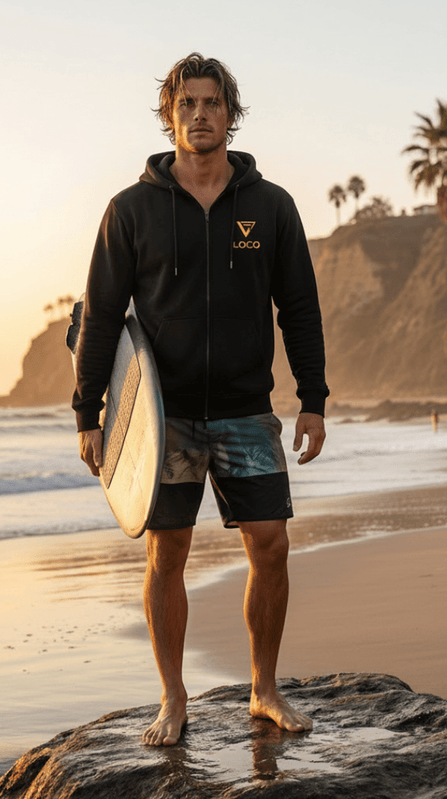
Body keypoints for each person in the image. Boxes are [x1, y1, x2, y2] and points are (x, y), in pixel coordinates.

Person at [73, 53, 329, 747]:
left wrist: (313, 398)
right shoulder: (131, 210)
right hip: (166, 417)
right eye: (187, 104)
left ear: (231, 114)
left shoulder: (270, 206)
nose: (200, 115)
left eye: (212, 102)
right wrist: (89, 413)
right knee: (167, 553)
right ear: (169, 116)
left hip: (247, 408)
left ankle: (265, 687)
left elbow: (298, 307)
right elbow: (101, 315)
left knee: (270, 545)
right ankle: (172, 697)